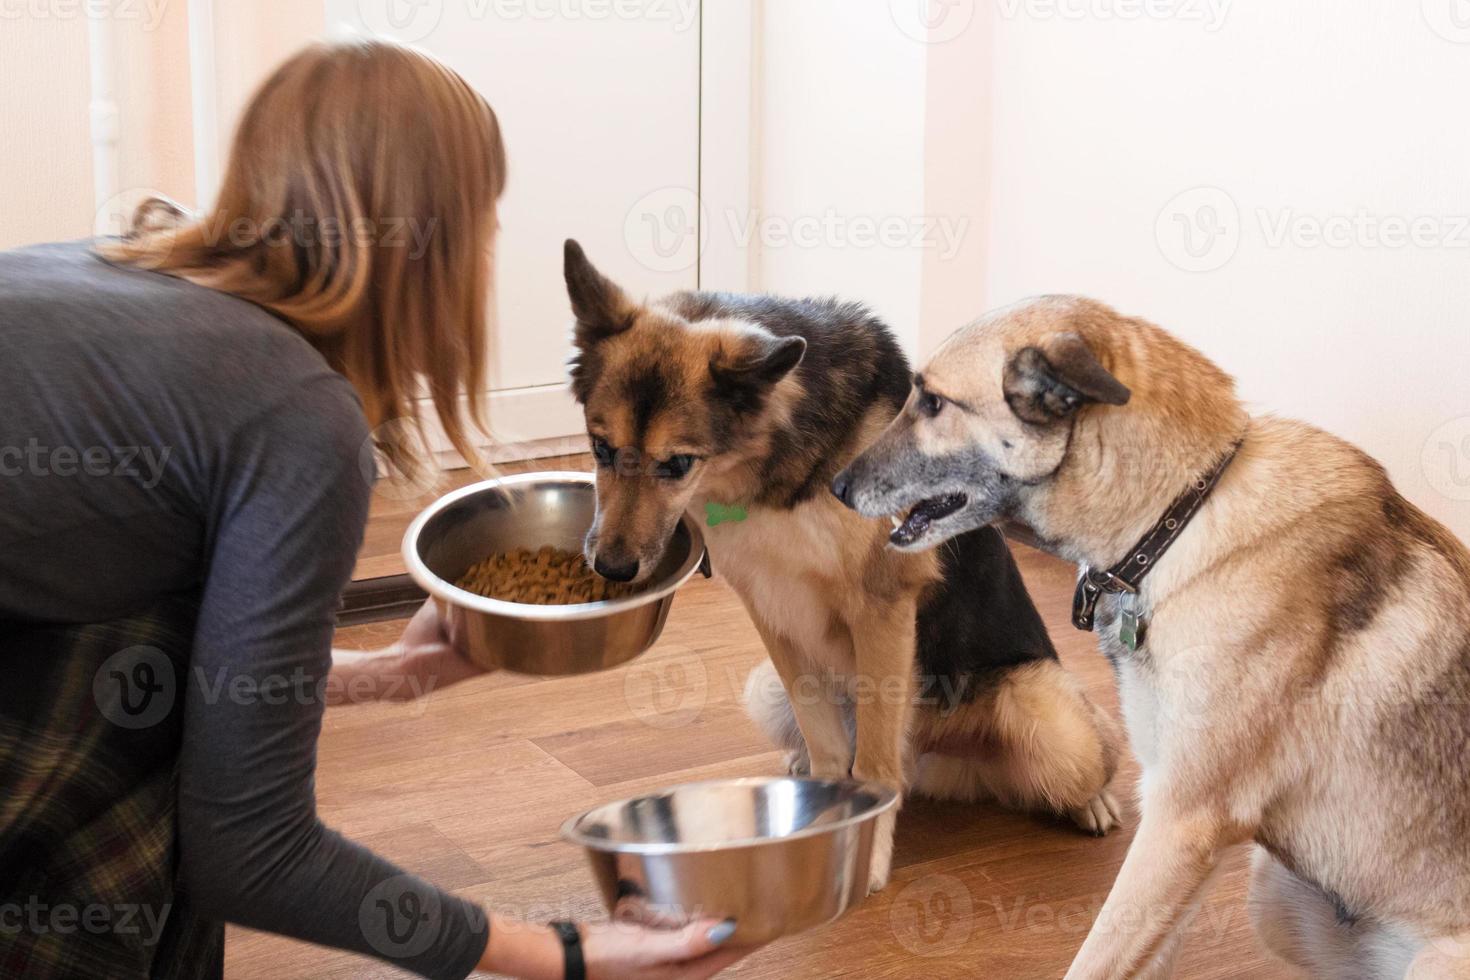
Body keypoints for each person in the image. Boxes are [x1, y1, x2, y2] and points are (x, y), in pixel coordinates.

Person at [0, 39, 747, 980]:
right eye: (482, 221)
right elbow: (251, 853)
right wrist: (567, 949)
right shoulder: (295, 415)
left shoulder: (120, 269)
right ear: (427, 247)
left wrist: (389, 676)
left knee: (149, 634)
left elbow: (211, 662)